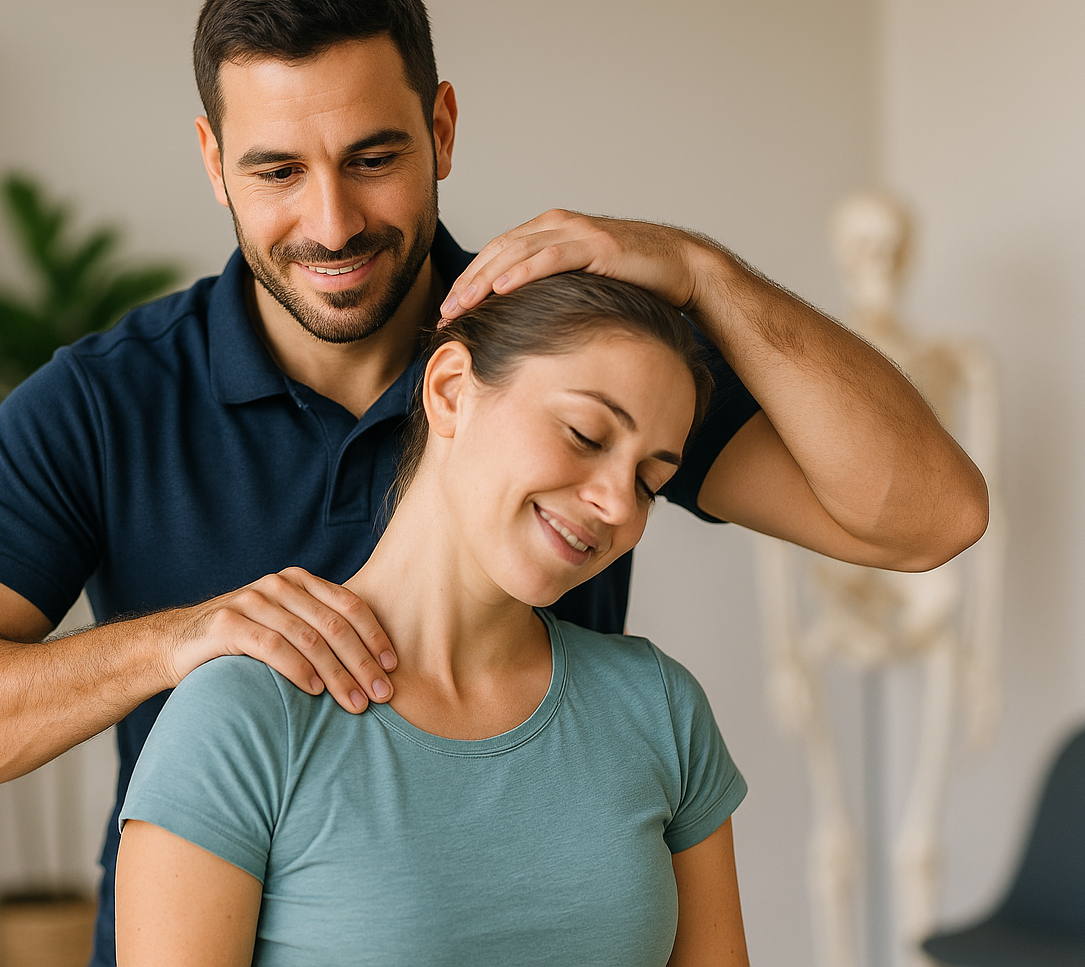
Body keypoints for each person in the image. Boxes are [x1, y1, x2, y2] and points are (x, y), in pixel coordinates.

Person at [0, 0, 989, 961]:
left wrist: (702, 269)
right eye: (277, 169)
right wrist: (189, 639)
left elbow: (929, 515)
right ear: (213, 158)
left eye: (374, 157)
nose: (330, 223)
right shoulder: (104, 404)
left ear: (440, 128)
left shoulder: (562, 366)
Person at [116, 273, 748, 966]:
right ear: (450, 389)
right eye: (586, 434)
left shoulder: (658, 708)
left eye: (647, 482)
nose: (618, 507)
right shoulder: (242, 716)